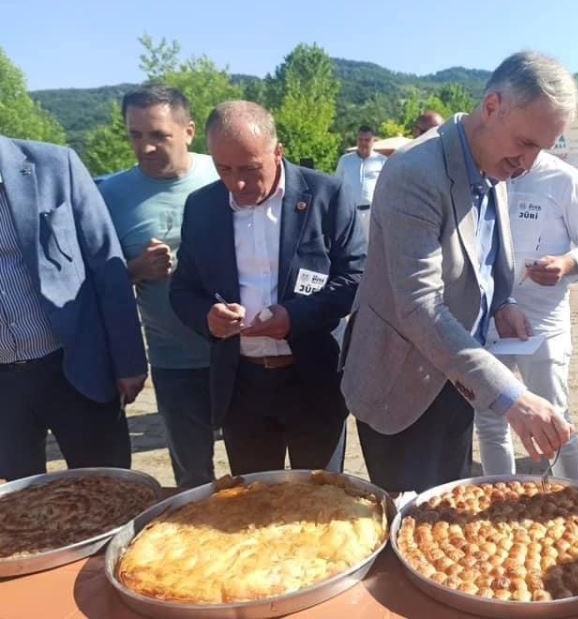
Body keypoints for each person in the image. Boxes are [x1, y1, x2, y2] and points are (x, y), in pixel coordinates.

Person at [342, 51, 577, 493]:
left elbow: (481, 259)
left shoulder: (495, 160)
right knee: (408, 522)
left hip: (458, 376)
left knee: (447, 509)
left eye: (542, 149)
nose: (528, 163)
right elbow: (420, 308)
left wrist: (502, 303)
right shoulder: (416, 174)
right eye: (526, 143)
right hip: (400, 386)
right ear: (492, 107)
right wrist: (514, 398)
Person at [170, 101, 366, 476]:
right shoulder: (202, 207)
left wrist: (295, 317)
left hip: (311, 378)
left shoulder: (327, 195)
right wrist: (207, 319)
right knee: (256, 501)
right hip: (242, 386)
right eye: (223, 169)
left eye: (249, 168)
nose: (237, 183)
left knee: (319, 501)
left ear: (277, 152)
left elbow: (358, 277)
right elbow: (182, 290)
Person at [0, 136, 147, 481]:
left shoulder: (55, 165)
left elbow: (106, 266)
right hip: (3, 389)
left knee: (108, 490)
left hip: (74, 367)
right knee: (18, 509)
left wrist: (129, 361)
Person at [100, 86, 219, 488]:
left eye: (158, 135)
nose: (145, 147)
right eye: (136, 135)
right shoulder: (111, 194)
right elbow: (97, 282)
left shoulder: (224, 170)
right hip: (173, 360)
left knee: (254, 469)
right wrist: (134, 269)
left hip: (240, 352)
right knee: (192, 476)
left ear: (188, 131)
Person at [475, 153, 578, 480]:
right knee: (491, 420)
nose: (516, 157)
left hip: (542, 324)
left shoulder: (563, 178)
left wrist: (568, 264)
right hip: (487, 319)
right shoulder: (479, 170)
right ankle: (500, 493)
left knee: (555, 419)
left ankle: (573, 495)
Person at [334, 125, 387, 234]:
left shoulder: (382, 161)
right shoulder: (345, 161)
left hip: (373, 213)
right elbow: (337, 186)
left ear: (373, 141)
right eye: (360, 140)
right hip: (350, 212)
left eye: (367, 140)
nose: (363, 143)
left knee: (373, 248)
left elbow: (387, 189)